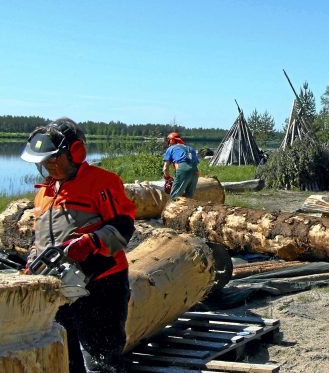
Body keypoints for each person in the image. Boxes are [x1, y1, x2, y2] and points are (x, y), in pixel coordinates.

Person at [20, 118, 136, 373]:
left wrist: (91, 242)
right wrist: (33, 260)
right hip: (61, 285)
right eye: (44, 161)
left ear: (75, 152)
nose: (48, 165)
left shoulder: (102, 182)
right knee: (67, 358)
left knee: (101, 361)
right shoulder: (45, 191)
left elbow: (124, 226)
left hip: (101, 284)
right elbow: (40, 237)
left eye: (53, 159)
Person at [163, 132, 200, 199]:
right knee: (189, 199)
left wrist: (167, 178)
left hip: (183, 170)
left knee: (175, 198)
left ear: (171, 140)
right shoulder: (191, 148)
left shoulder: (171, 149)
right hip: (195, 172)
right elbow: (195, 163)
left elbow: (165, 168)